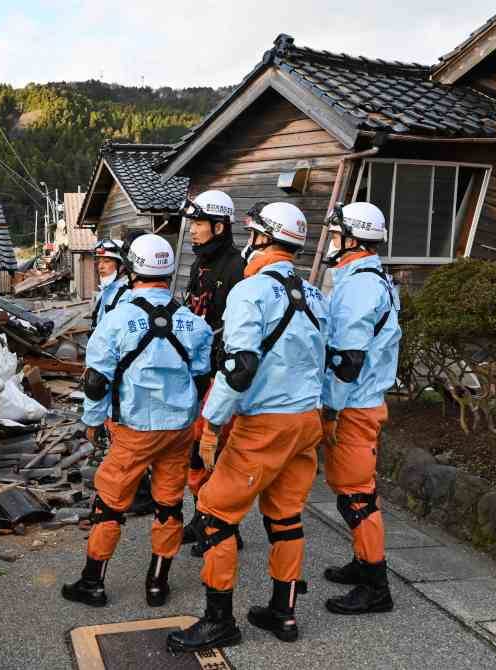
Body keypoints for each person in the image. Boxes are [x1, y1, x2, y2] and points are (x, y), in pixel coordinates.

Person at [168, 202, 327, 653]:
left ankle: (220, 621)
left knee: (215, 516)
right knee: (285, 515)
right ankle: (284, 612)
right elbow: (329, 362)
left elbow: (238, 369)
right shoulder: (315, 294)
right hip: (306, 420)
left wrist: (213, 422)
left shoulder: (250, 291)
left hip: (265, 423)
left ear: (259, 238)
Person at [63, 234, 213, 608]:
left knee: (111, 504)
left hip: (134, 428)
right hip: (178, 429)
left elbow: (97, 381)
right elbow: (201, 375)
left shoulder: (116, 321)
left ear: (130, 270)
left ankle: (93, 582)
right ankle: (157, 584)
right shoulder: (192, 323)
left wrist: (93, 422)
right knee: (169, 504)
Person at [319, 201, 401, 615]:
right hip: (363, 400)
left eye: (336, 235)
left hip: (353, 404)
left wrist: (329, 409)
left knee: (357, 497)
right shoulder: (372, 278)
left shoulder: (359, 286)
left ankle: (376, 585)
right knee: (351, 491)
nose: (332, 242)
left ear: (352, 238)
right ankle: (361, 561)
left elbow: (347, 359)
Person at [178, 190, 246, 546]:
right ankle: (200, 516)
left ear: (219, 226)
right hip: (197, 372)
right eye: (192, 224)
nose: (192, 231)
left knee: (216, 453)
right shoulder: (197, 264)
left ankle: (224, 527)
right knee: (195, 453)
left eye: (199, 223)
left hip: (222, 374)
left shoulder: (238, 267)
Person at [90, 239, 131, 330]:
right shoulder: (106, 290)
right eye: (99, 262)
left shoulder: (127, 296)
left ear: (122, 265)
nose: (100, 266)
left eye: (107, 261)